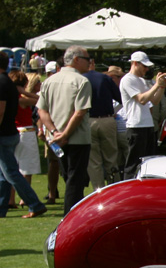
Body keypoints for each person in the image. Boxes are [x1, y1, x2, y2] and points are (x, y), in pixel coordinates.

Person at [38, 45, 94, 213]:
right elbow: (80, 112)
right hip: (76, 138)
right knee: (75, 179)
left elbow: (42, 110)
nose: (90, 63)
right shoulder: (82, 81)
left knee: (69, 177)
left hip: (57, 139)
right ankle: (70, 215)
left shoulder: (49, 81)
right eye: (87, 59)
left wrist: (55, 132)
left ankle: (71, 212)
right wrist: (65, 134)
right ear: (76, 59)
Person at [0, 52, 47, 218]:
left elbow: (1, 111)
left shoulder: (3, 84)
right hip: (15, 132)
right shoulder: (11, 87)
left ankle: (34, 203)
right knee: (6, 173)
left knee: (10, 172)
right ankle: (2, 206)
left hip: (7, 133)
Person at [119, 51, 166, 178]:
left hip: (148, 125)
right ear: (135, 63)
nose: (146, 69)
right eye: (144, 66)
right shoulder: (127, 80)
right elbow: (141, 99)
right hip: (136, 126)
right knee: (133, 164)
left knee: (148, 162)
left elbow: (155, 100)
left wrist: (161, 87)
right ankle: (128, 189)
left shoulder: (141, 81)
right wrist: (156, 85)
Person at [83, 58, 121, 188]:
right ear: (93, 63)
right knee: (111, 157)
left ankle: (97, 190)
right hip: (107, 119)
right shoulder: (105, 78)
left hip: (88, 120)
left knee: (93, 161)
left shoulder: (80, 79)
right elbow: (120, 97)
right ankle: (113, 187)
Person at [7, 70, 40, 208]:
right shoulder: (22, 98)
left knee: (11, 167)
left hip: (12, 132)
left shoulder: (7, 97)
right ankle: (25, 198)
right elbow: (40, 101)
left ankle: (10, 199)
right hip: (26, 132)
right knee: (26, 168)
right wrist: (25, 92)